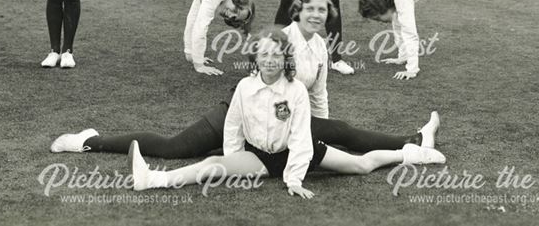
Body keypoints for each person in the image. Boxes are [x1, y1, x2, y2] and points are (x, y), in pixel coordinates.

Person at [51, 0, 439, 157]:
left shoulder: (320, 45)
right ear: (297, 12)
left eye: (323, 10)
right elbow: (258, 91)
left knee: (339, 132)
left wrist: (318, 131)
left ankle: (413, 140)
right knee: (175, 149)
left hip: (277, 124)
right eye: (311, 9)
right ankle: (90, 140)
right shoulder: (280, 41)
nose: (318, 15)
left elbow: (318, 95)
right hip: (240, 114)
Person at [128, 27, 445, 198]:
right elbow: (233, 127)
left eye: (275, 55)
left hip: (298, 152)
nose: (269, 60)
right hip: (260, 156)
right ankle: (152, 180)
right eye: (263, 54)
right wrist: (232, 160)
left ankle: (411, 153)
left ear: (284, 60)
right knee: (211, 164)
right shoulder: (244, 87)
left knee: (362, 165)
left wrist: (293, 179)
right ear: (256, 57)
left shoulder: (295, 92)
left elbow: (301, 139)